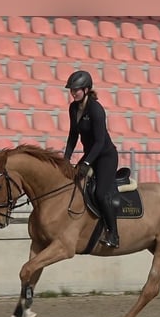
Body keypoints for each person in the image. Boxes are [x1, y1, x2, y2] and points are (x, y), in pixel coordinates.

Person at [63, 70, 120, 248]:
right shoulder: (73, 108)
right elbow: (73, 135)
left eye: (76, 89)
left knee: (100, 193)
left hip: (105, 156)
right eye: (71, 90)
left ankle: (113, 234)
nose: (73, 93)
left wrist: (86, 163)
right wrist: (65, 159)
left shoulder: (96, 110)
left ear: (86, 89)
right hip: (90, 155)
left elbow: (100, 141)